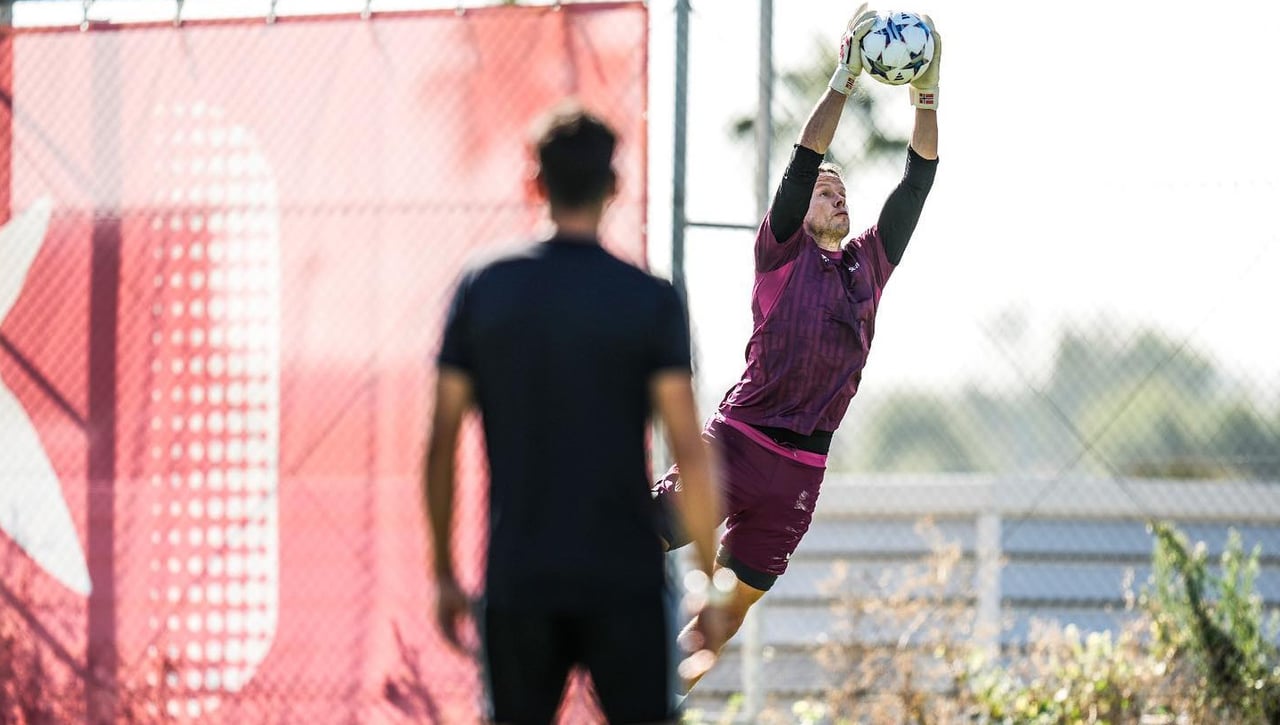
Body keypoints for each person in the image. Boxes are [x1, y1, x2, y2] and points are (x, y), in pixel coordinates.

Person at [653, 6, 942, 694]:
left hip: (802, 471)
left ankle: (649, 698)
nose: (836, 194)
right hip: (740, 444)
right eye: (824, 190)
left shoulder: (867, 265)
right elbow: (804, 158)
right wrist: (844, 79)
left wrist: (927, 95)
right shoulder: (779, 251)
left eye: (843, 191)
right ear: (798, 206)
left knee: (718, 623)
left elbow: (919, 179)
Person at [423, 102, 728, 724]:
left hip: (520, 576)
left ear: (534, 184)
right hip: (626, 581)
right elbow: (688, 450)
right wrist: (709, 583)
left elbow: (440, 441)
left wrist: (443, 574)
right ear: (614, 187)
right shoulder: (649, 300)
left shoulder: (484, 287)